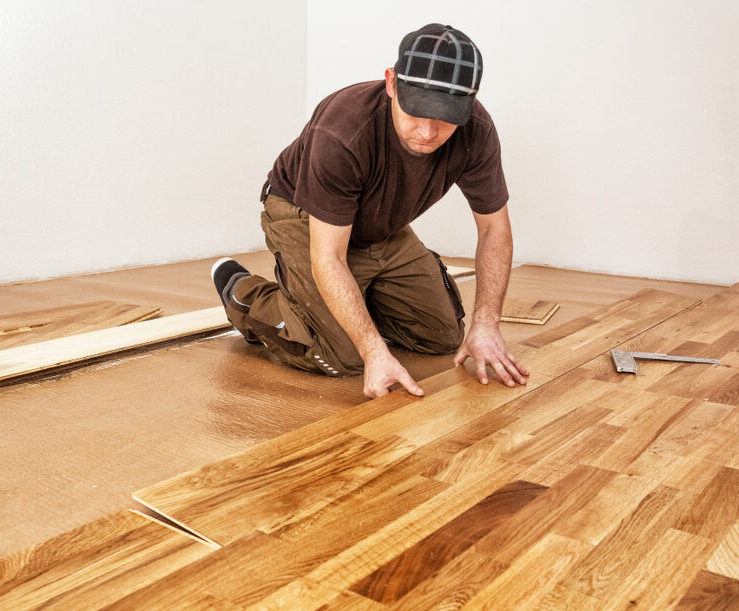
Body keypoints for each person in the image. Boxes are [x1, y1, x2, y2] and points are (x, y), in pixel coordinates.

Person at [212, 23, 528, 399]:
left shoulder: (477, 130)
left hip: (379, 224)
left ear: (470, 99)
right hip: (302, 212)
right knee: (342, 356)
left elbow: (494, 229)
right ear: (392, 83)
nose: (427, 132)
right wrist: (373, 350)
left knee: (442, 336)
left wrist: (487, 323)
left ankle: (351, 302)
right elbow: (328, 256)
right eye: (416, 112)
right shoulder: (343, 132)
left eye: (444, 117)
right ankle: (244, 293)